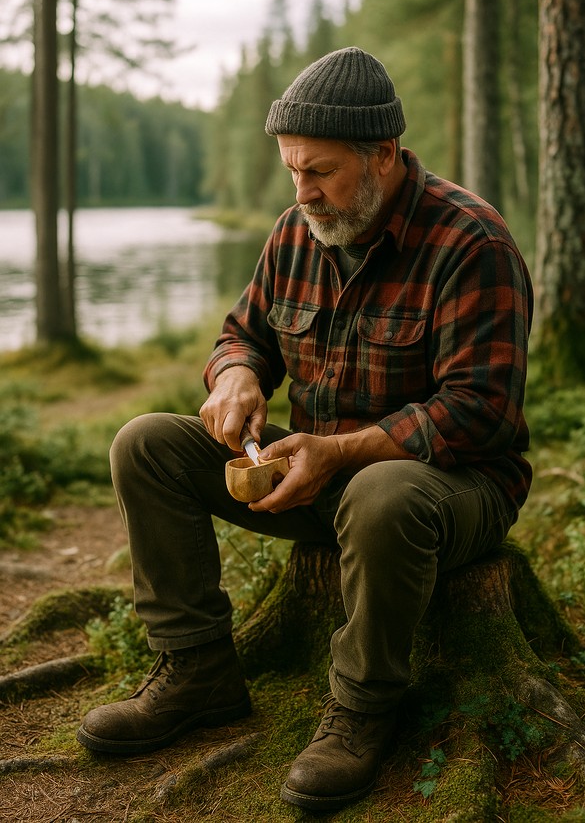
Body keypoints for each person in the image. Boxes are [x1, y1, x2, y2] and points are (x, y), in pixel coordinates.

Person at [76, 47, 533, 811]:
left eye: (319, 171)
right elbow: (241, 335)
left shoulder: (470, 243)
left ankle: (362, 707)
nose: (302, 191)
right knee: (145, 445)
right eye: (292, 169)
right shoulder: (298, 231)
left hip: (452, 490)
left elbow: (479, 410)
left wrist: (342, 453)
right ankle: (197, 670)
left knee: (381, 495)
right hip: (315, 475)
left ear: (383, 154)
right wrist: (237, 375)